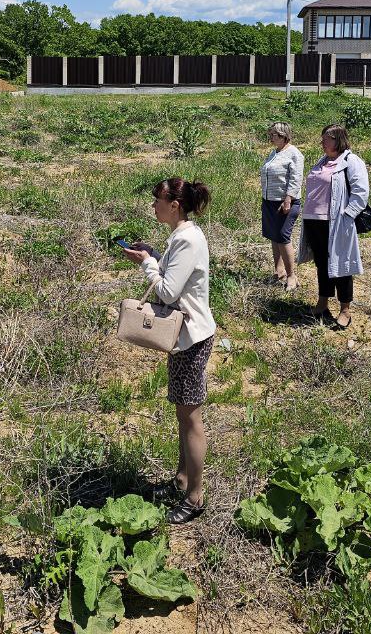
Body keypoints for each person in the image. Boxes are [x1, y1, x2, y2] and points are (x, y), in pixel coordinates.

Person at [122, 177, 214, 525]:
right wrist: (153, 258)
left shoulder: (188, 239)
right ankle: (182, 478)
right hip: (183, 338)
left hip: (191, 339)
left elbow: (169, 292)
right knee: (182, 413)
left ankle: (194, 497)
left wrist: (148, 264)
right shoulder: (181, 235)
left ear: (175, 205)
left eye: (157, 200)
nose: (154, 205)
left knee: (191, 419)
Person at [297, 124, 370, 330]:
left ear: (338, 139)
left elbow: (360, 192)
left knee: (341, 264)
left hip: (336, 222)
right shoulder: (323, 161)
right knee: (322, 263)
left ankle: (345, 309)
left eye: (326, 138)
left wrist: (347, 216)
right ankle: (323, 303)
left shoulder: (351, 161)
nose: (322, 142)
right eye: (322, 138)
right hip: (314, 220)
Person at [259, 121, 304, 290]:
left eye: (274, 135)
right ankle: (279, 271)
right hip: (269, 201)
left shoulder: (294, 154)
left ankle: (292, 275)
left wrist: (288, 199)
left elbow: (296, 178)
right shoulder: (274, 153)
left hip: (285, 202)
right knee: (274, 236)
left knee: (283, 237)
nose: (270, 137)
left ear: (284, 136)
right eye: (270, 134)